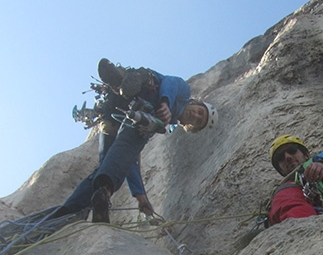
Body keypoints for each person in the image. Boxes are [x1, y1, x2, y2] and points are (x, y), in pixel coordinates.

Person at [54, 59, 217, 224]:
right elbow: (171, 82)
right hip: (144, 90)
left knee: (110, 164)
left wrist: (140, 196)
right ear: (196, 103)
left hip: (119, 117)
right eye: (199, 112)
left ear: (190, 127)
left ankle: (71, 211)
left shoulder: (161, 123)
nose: (196, 115)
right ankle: (125, 82)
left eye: (199, 120)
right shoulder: (184, 93)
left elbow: (128, 157)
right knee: (131, 143)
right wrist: (165, 102)